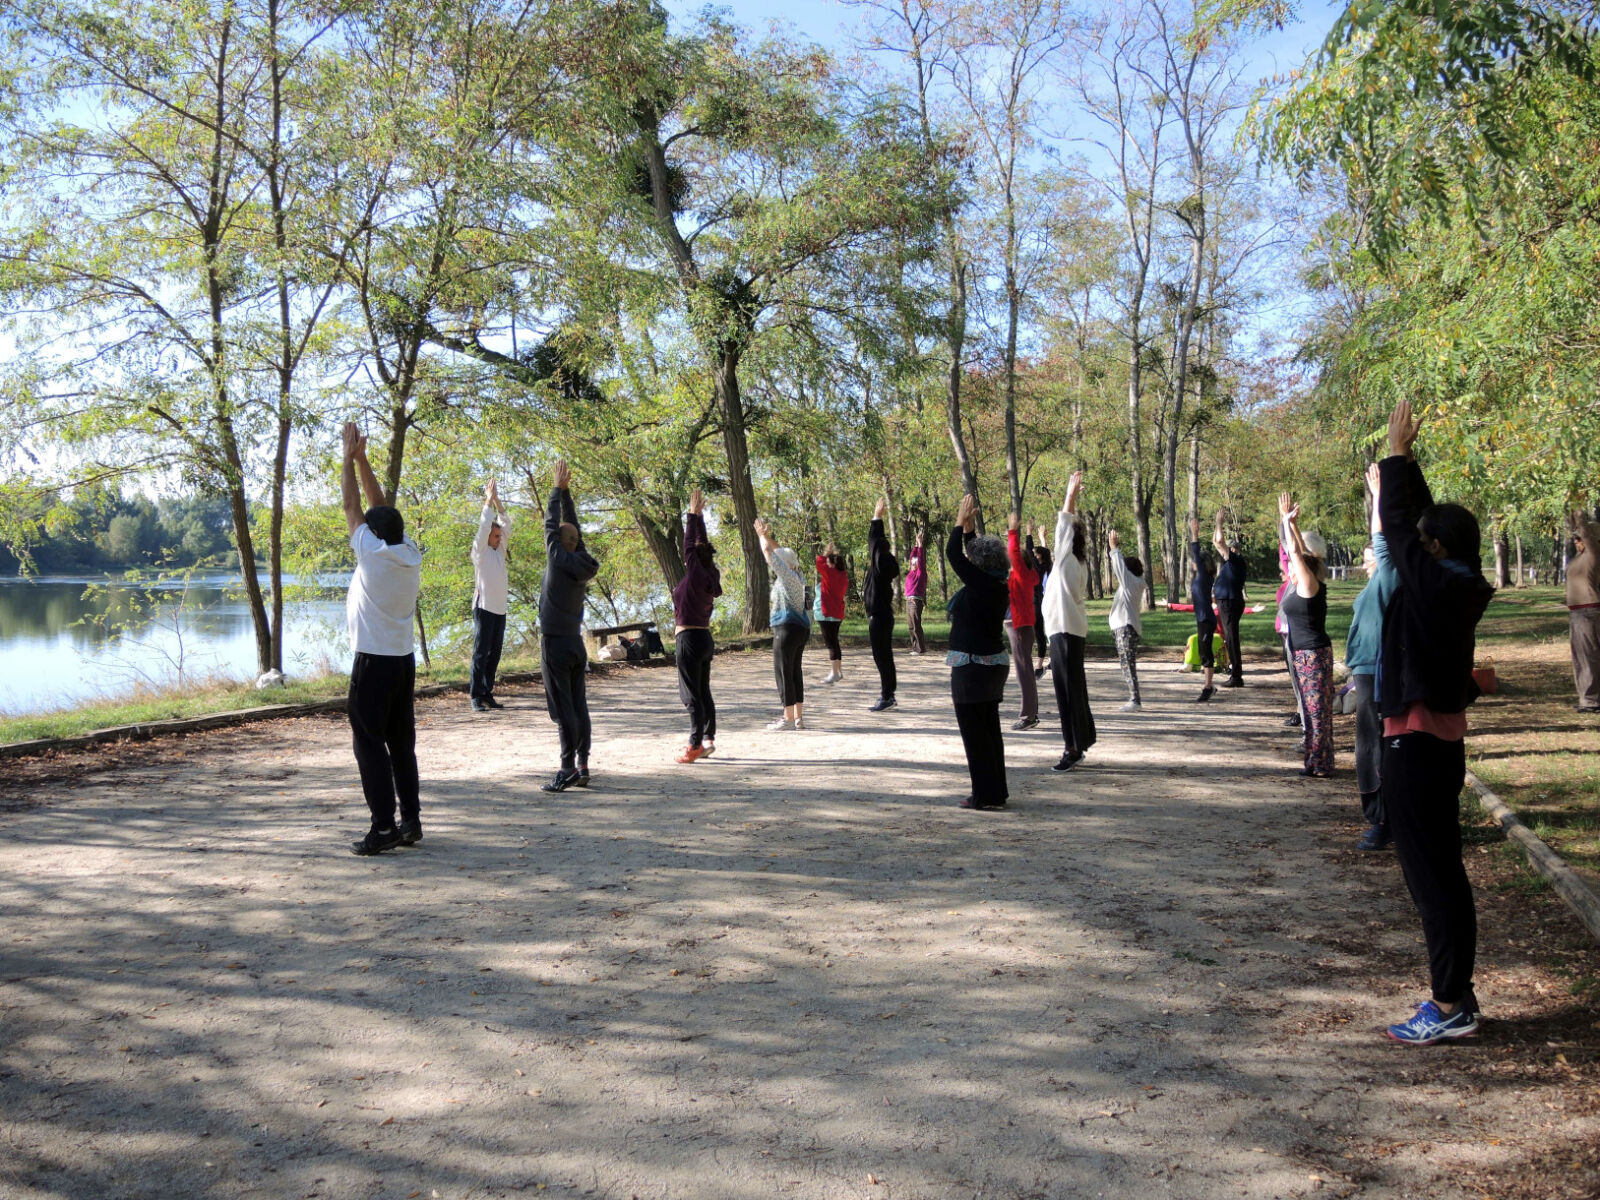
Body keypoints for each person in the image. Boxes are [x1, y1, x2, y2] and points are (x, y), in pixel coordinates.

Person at [1377, 398, 1494, 1045]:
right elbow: (1416, 526)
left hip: (1416, 747)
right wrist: (1408, 462)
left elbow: (1399, 525)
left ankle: (1449, 1005)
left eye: (1425, 543)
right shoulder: (1457, 580)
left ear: (1438, 549)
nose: (1413, 547)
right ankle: (1457, 997)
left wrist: (1396, 460)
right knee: (1444, 873)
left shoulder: (1434, 585)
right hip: (1436, 747)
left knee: (1434, 881)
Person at [338, 422, 424, 856]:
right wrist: (362, 458)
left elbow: (354, 504)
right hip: (402, 662)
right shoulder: (408, 551)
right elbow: (379, 508)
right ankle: (409, 820)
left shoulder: (371, 554)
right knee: (401, 745)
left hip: (372, 663)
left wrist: (346, 456)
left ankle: (383, 827)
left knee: (369, 745)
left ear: (372, 534)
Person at [945, 494, 1012, 810]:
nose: (969, 563)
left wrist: (959, 523)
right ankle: (995, 792)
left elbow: (953, 554)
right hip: (990, 666)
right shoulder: (997, 582)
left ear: (979, 566)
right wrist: (971, 530)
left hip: (972, 668)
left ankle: (983, 795)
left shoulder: (980, 584)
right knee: (989, 732)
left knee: (975, 736)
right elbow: (972, 556)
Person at [539, 459, 600, 793]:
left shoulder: (557, 556)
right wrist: (566, 493)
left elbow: (552, 526)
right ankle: (583, 763)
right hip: (575, 644)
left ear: (562, 542)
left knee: (564, 709)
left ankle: (566, 769)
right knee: (579, 706)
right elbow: (571, 528)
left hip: (555, 644)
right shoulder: (581, 559)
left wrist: (555, 491)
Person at [1346, 463, 1399, 849]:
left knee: (1375, 745)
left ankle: (1384, 820)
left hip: (1378, 671)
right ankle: (1382, 815)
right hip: (1364, 670)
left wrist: (1380, 493)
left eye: (1370, 556)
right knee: (1370, 744)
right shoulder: (1376, 580)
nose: (1366, 560)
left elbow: (1382, 538)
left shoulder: (1390, 573)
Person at [1042, 471, 1096, 771]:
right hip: (1069, 630)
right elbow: (1064, 526)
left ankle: (1072, 747)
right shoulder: (1078, 560)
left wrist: (1070, 495)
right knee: (1074, 687)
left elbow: (1064, 521)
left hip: (1064, 630)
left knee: (1066, 690)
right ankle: (1080, 740)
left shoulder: (1065, 557)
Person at [1279, 492, 1334, 778]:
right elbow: (1301, 551)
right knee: (1311, 711)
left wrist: (1286, 523)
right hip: (1304, 653)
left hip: (1312, 654)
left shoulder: (1309, 583)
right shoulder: (1308, 578)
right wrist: (1294, 526)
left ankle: (1321, 765)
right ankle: (1315, 763)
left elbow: (1296, 553)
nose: (1290, 567)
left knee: (1316, 712)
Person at [672, 488, 722, 763]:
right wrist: (699, 517)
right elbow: (698, 546)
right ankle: (707, 738)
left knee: (691, 694)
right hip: (704, 639)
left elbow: (690, 546)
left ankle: (694, 744)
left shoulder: (695, 572)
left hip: (689, 641)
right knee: (703, 691)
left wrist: (692, 516)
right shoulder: (710, 574)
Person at [756, 517, 809, 730]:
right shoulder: (798, 574)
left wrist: (761, 535)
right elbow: (781, 552)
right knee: (795, 671)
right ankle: (798, 717)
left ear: (783, 564)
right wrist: (769, 537)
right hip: (801, 629)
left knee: (783, 672)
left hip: (785, 628)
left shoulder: (786, 576)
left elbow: (769, 554)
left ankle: (786, 718)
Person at [469, 479, 511, 712]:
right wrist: (487, 500)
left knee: (494, 654)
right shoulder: (480, 552)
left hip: (500, 609)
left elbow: (506, 523)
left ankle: (487, 692)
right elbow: (484, 526)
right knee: (480, 652)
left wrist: (497, 500)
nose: (498, 538)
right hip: (483, 607)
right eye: (495, 536)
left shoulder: (499, 552)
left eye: (499, 536)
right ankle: (475, 695)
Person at [864, 498, 901, 711]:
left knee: (882, 658)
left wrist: (877, 518)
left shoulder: (879, 567)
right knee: (885, 657)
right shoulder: (886, 567)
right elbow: (875, 544)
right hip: (883, 616)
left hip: (878, 617)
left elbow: (873, 542)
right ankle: (889, 694)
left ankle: (887, 695)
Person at [1005, 512, 1040, 730]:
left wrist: (1012, 530)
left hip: (1018, 626)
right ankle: (1030, 713)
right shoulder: (1028, 574)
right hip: (1023, 626)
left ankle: (1029, 716)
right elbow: (1024, 557)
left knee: (1023, 671)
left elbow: (1014, 552)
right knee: (1024, 669)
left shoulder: (1019, 573)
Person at [1567, 509, 1600, 712]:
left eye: (1578, 538)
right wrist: (1569, 506)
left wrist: (1578, 506)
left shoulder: (1594, 554)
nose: (1576, 541)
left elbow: (1585, 531)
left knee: (1586, 657)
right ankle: (1592, 699)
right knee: (1587, 656)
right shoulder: (1583, 557)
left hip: (1587, 612)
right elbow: (1576, 529)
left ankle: (1590, 701)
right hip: (1582, 612)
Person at [1107, 529, 1143, 712]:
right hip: (1127, 627)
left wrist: (1114, 548)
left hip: (1125, 628)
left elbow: (1119, 568)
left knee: (1128, 664)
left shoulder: (1130, 583)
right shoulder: (1136, 583)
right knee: (1128, 664)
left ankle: (1135, 699)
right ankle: (1134, 698)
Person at [1211, 511, 1247, 688]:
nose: (1226, 550)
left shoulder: (1235, 561)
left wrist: (1219, 523)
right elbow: (1216, 543)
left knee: (1232, 638)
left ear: (1235, 550)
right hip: (1227, 601)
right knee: (1230, 637)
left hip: (1230, 602)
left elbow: (1218, 542)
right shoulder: (1231, 564)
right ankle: (1235, 674)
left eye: (1230, 548)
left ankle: (1236, 676)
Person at [1275, 545, 1308, 732]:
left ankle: (1303, 718)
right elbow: (1285, 554)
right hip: (1286, 634)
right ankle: (1300, 713)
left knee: (1300, 677)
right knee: (1294, 678)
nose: (1284, 573)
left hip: (1298, 637)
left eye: (1284, 570)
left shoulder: (1300, 582)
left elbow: (1291, 554)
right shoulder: (1288, 582)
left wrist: (1287, 526)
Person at [1188, 517, 1217, 702]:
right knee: (1202, 652)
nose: (1193, 562)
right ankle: (1209, 685)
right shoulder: (1202, 576)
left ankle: (1208, 687)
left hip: (1206, 619)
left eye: (1195, 561)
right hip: (1203, 618)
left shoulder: (1203, 576)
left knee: (1206, 654)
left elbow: (1196, 551)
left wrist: (1195, 534)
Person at [815, 543, 848, 684]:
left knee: (831, 644)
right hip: (837, 614)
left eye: (829, 562)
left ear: (833, 564)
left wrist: (826, 552)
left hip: (827, 614)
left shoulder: (830, 574)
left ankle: (834, 673)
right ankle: (838, 671)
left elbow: (819, 562)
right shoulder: (843, 576)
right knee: (835, 642)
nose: (826, 564)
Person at [1027, 524, 1052, 678]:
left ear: (1038, 558)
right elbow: (1045, 553)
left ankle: (1038, 666)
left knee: (1038, 634)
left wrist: (1029, 533)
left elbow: (1030, 552)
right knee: (1047, 634)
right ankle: (1043, 664)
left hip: (1037, 605)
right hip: (1048, 605)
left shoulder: (1035, 568)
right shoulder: (1049, 566)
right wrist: (1043, 539)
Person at [904, 533, 928, 655]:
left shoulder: (920, 573)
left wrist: (920, 544)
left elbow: (920, 558)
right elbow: (913, 556)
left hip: (915, 601)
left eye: (915, 563)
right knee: (911, 626)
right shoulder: (911, 573)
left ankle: (920, 649)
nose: (913, 564)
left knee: (916, 625)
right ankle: (915, 648)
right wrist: (915, 545)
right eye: (912, 563)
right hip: (908, 601)